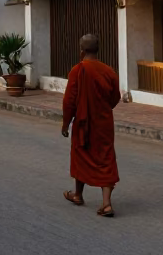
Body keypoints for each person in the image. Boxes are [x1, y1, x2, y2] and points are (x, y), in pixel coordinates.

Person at [61, 33, 120, 217]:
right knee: (106, 158)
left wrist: (65, 123)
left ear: (82, 51)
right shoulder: (109, 71)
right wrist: (102, 109)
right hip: (104, 123)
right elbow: (115, 97)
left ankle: (79, 194)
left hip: (83, 122)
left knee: (80, 154)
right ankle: (105, 203)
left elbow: (69, 101)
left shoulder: (78, 70)